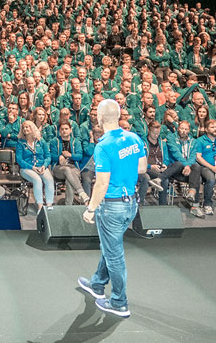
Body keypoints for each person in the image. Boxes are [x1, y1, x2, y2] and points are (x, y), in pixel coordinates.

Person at [77, 99, 145, 318]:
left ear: (98, 118)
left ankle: (119, 302)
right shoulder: (134, 137)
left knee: (114, 255)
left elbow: (102, 183)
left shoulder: (103, 146)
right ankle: (97, 284)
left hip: (112, 206)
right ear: (118, 116)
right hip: (131, 203)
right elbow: (142, 167)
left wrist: (90, 209)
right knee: (111, 245)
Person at [189, 120, 216, 217]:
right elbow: (198, 157)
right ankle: (207, 204)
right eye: (212, 127)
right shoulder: (200, 140)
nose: (215, 129)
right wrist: (212, 168)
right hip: (205, 167)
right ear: (206, 129)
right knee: (211, 180)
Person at [15, 119, 54, 214]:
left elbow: (48, 156)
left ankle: (49, 205)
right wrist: (32, 167)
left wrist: (44, 166)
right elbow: (19, 160)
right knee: (37, 180)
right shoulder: (20, 143)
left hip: (41, 166)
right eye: (23, 127)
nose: (25, 129)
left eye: (27, 127)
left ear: (32, 128)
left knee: (49, 179)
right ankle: (40, 207)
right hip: (27, 168)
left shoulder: (41, 141)